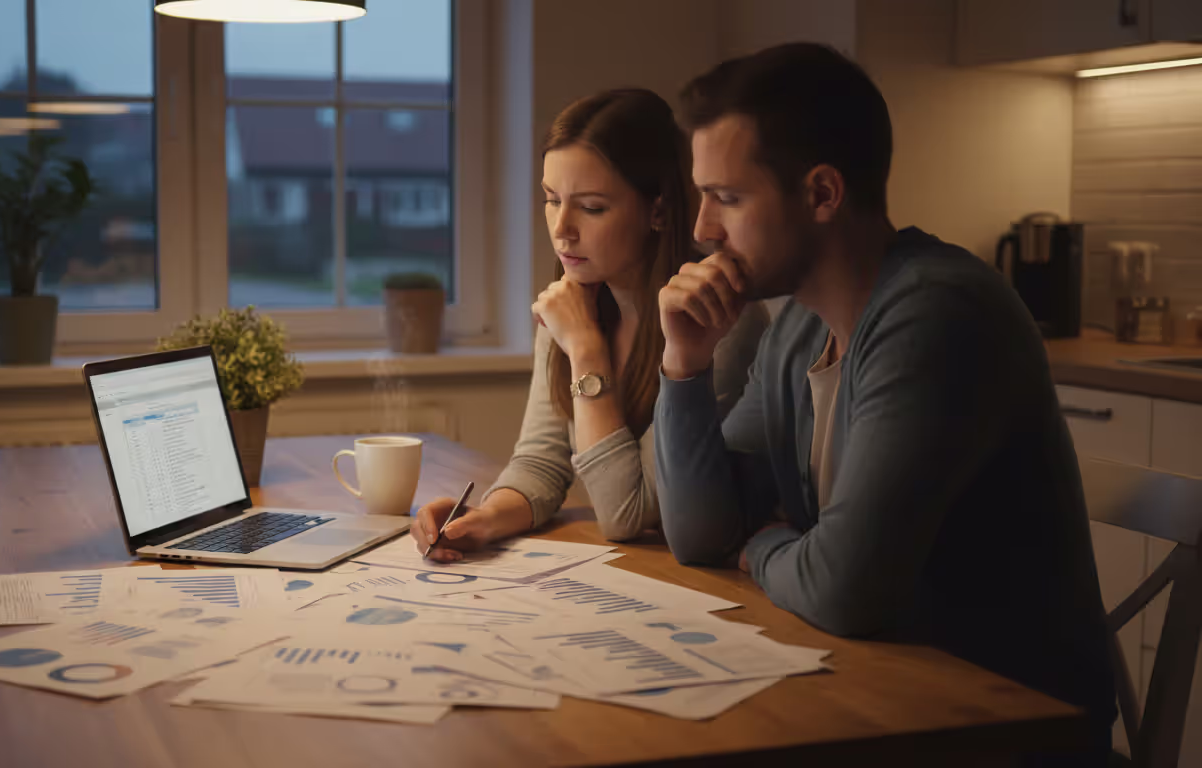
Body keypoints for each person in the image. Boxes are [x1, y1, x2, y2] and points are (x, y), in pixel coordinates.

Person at [653, 44, 1116, 762]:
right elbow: (699, 535)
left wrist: (764, 545)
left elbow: (843, 589)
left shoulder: (936, 312)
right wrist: (684, 364)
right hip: (876, 694)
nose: (703, 229)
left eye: (729, 198)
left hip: (1002, 729)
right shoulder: (800, 328)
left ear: (822, 194)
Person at [410, 88, 768, 560]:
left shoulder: (715, 319)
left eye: (592, 207)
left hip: (716, 577)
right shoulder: (572, 302)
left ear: (658, 210)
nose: (562, 228)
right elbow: (540, 462)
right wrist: (485, 518)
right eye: (551, 199)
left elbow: (628, 513)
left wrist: (585, 349)